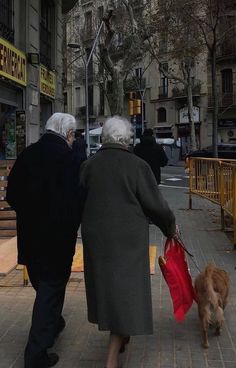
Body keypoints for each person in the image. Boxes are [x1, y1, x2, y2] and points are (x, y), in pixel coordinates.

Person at [79, 116, 176, 368]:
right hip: (128, 241)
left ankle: (121, 338)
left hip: (96, 238)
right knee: (127, 293)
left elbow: (79, 200)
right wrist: (170, 228)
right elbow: (156, 205)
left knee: (110, 290)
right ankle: (112, 358)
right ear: (127, 139)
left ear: (105, 138)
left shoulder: (89, 165)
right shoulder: (136, 165)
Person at [6, 113, 84, 368]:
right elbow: (78, 200)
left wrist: (30, 213)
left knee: (44, 285)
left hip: (30, 236)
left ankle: (53, 321)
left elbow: (12, 195)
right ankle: (35, 355)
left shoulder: (28, 154)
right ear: (69, 134)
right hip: (57, 240)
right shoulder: (70, 158)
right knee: (51, 289)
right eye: (73, 135)